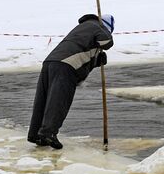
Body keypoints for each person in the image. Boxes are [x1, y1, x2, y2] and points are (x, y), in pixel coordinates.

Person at [29, 13, 114, 149]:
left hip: (51, 62)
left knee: (43, 99)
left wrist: (97, 60)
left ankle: (36, 134)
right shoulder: (97, 26)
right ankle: (48, 133)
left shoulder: (83, 28)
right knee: (59, 100)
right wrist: (106, 35)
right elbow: (107, 42)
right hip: (66, 65)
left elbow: (80, 50)